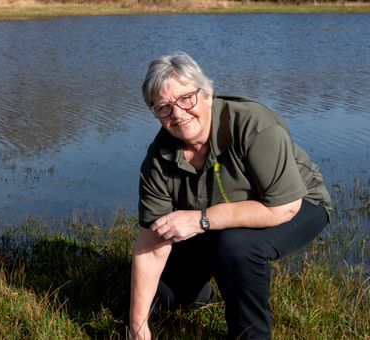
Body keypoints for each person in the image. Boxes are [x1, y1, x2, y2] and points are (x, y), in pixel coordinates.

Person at [129, 52, 332, 340]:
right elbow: (150, 244)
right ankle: (206, 290)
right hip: (217, 215)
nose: (178, 114)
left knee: (237, 247)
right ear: (154, 112)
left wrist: (200, 220)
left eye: (187, 98)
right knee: (161, 296)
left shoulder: (254, 124)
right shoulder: (159, 157)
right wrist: (138, 326)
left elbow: (283, 207)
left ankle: (250, 334)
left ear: (207, 94)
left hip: (297, 203)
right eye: (164, 107)